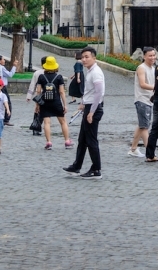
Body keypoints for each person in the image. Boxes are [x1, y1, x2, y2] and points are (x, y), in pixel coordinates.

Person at [64, 47, 106, 179]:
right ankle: (77, 165)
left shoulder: (96, 73)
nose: (84, 59)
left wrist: (91, 111)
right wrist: (83, 103)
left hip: (94, 108)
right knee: (82, 138)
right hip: (88, 106)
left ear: (94, 58)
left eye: (87, 57)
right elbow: (90, 91)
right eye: (82, 57)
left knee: (91, 139)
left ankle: (96, 168)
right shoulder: (90, 71)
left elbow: (99, 93)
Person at [32, 56, 72, 150]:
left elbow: (38, 92)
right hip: (56, 102)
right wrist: (65, 105)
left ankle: (49, 142)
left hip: (45, 102)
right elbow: (62, 92)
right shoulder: (59, 77)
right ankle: (67, 141)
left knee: (47, 123)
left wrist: (37, 105)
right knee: (63, 122)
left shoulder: (41, 77)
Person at [130, 47, 156, 157]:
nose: (152, 58)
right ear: (144, 56)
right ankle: (150, 152)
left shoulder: (153, 68)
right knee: (145, 127)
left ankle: (133, 148)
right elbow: (142, 84)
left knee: (142, 125)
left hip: (149, 100)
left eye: (154, 55)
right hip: (142, 99)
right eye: (150, 55)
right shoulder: (141, 68)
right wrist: (156, 88)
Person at [26, 56, 48, 135]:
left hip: (38, 95)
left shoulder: (37, 73)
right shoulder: (51, 72)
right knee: (44, 111)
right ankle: (38, 127)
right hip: (48, 95)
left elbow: (32, 85)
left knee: (37, 110)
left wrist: (29, 96)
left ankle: (36, 127)